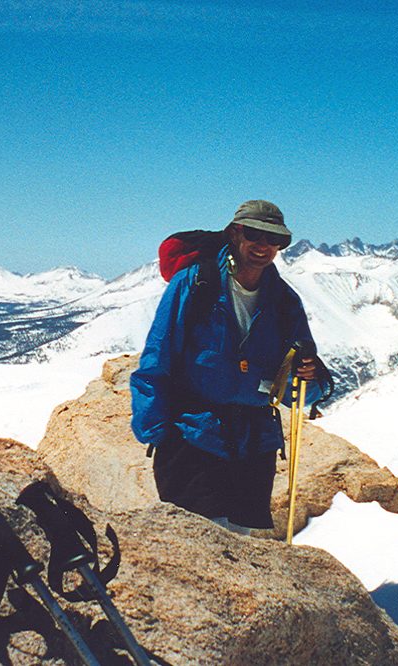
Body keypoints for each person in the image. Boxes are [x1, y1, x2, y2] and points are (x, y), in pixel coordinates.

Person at [130, 200, 320, 535]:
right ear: (234, 234)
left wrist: (312, 377)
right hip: (194, 435)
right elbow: (158, 354)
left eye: (273, 239)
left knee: (237, 545)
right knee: (198, 542)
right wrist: (155, 430)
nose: (263, 245)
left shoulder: (284, 301)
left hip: (253, 445)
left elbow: (299, 383)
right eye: (254, 234)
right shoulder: (195, 283)